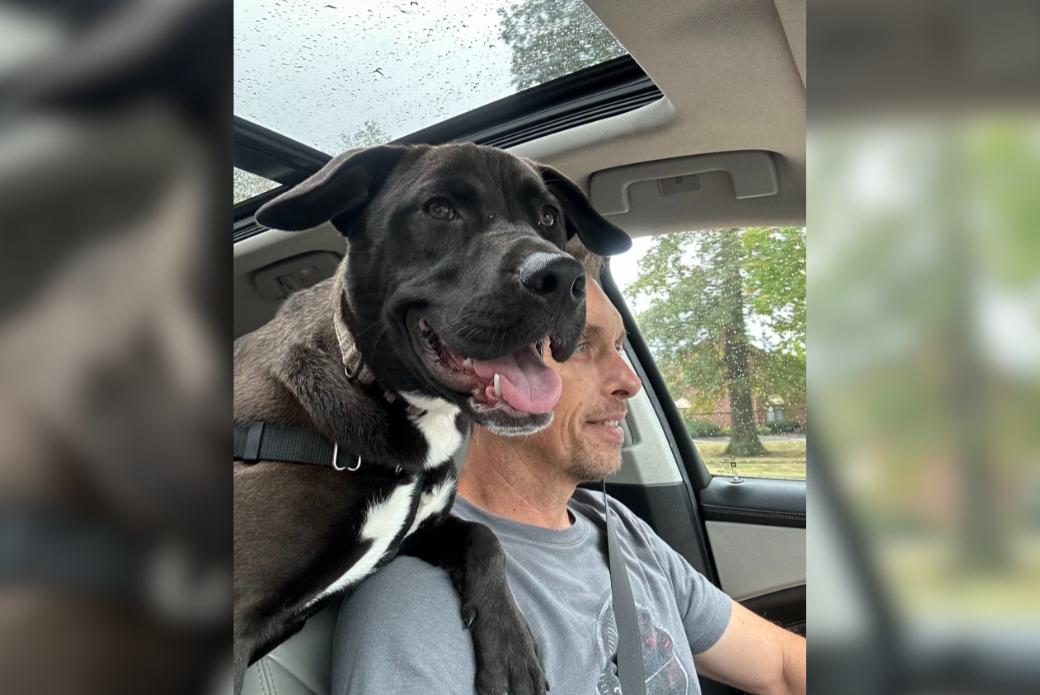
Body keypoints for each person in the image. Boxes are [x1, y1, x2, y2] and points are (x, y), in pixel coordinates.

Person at [332, 253, 806, 695]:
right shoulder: (417, 596)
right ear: (490, 379)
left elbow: (783, 667)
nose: (630, 380)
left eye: (618, 345)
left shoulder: (616, 527)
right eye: (580, 344)